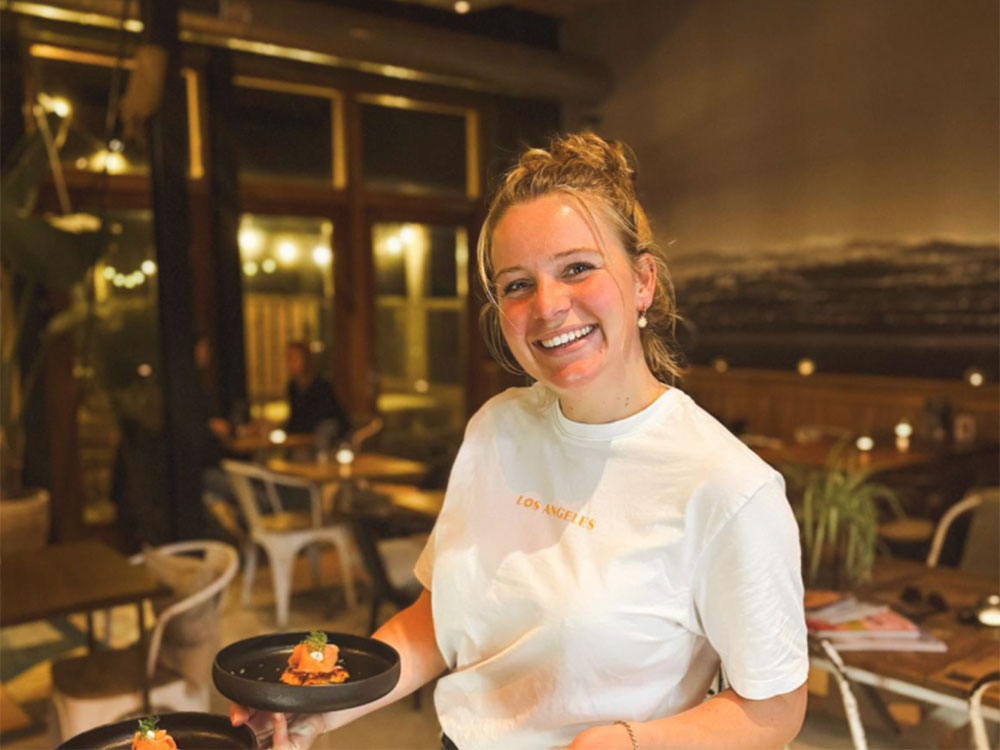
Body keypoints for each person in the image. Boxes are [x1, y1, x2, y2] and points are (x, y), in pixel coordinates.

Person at [232, 133, 808, 749]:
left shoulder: (728, 485)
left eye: (577, 268)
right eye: (516, 284)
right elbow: (438, 620)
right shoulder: (496, 428)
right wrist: (317, 706)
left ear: (643, 281)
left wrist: (623, 744)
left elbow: (775, 707)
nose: (548, 305)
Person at [284, 340, 350, 440]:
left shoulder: (321, 386)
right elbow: (296, 417)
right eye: (288, 358)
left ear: (305, 359)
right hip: (306, 436)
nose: (289, 363)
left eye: (293, 358)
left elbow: (324, 417)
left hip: (329, 436)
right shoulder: (293, 387)